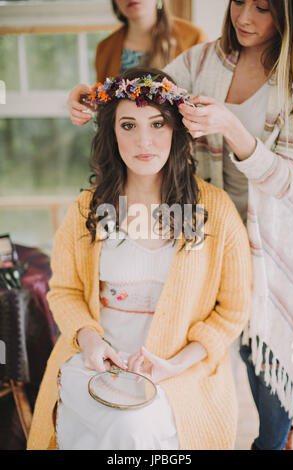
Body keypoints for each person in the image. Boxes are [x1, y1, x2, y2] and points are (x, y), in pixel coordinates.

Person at [66, 0, 293, 450]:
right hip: (205, 227)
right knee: (207, 352)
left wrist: (234, 130)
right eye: (238, 3)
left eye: (263, 8)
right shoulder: (200, 61)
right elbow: (148, 92)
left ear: (288, 14)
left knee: (267, 373)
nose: (244, 18)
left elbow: (291, 183)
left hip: (272, 243)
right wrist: (91, 95)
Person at [27, 68, 252, 450]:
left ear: (177, 130)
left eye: (157, 124)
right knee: (112, 425)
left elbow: (232, 311)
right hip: (94, 363)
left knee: (132, 429)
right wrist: (90, 340)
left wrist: (177, 364)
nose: (143, 140)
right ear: (112, 134)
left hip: (178, 370)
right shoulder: (88, 209)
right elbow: (63, 291)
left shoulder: (216, 211)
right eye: (128, 125)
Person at [68, 0, 207, 126]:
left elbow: (202, 103)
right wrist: (86, 98)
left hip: (178, 148)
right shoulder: (105, 48)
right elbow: (106, 106)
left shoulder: (193, 38)